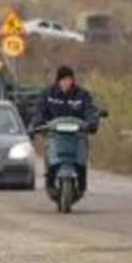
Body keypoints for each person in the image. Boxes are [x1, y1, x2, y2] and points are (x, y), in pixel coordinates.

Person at [31, 66, 99, 194]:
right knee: (51, 157)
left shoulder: (82, 95)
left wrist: (92, 123)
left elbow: (89, 110)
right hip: (54, 135)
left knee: (81, 159)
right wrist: (38, 122)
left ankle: (81, 184)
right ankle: (50, 182)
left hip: (77, 136)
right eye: (63, 80)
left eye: (69, 79)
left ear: (73, 80)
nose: (66, 82)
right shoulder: (48, 94)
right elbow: (39, 110)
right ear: (58, 80)